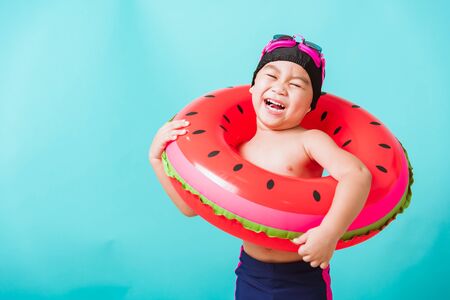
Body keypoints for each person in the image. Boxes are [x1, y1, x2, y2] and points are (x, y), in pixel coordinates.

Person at [149, 34, 372, 300]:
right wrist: (156, 159)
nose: (280, 88)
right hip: (251, 273)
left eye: (297, 84)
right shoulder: (239, 151)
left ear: (310, 106)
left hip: (303, 272)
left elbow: (356, 175)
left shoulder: (310, 140)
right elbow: (190, 207)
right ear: (253, 88)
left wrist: (330, 233)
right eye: (272, 76)